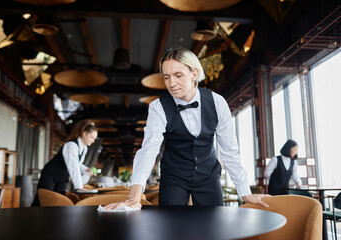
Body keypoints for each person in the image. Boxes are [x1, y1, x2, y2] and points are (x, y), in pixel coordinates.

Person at [105, 47, 270, 210]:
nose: (171, 83)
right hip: (173, 176)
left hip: (208, 175)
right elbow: (149, 149)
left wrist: (245, 192)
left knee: (214, 227)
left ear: (194, 74)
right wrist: (134, 195)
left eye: (178, 76)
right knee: (170, 225)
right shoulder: (158, 107)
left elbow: (229, 151)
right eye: (166, 77)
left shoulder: (217, 103)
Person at [31, 119, 98, 206]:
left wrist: (86, 170)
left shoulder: (84, 148)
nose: (93, 141)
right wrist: (79, 187)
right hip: (50, 174)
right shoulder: (71, 145)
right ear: (84, 133)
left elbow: (77, 163)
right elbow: (73, 166)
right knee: (42, 200)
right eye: (92, 137)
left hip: (62, 177)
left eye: (94, 139)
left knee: (58, 202)